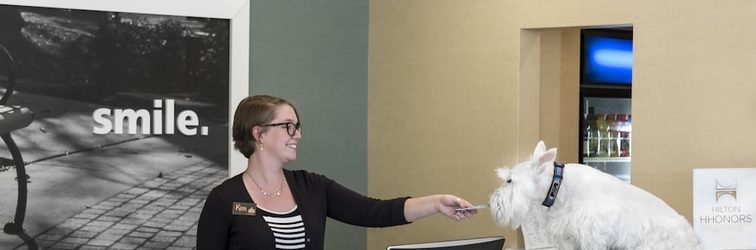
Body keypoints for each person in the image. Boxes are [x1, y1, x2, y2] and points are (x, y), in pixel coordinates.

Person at [197, 95, 478, 250]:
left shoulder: (313, 187)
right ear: (258, 133)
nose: (298, 135)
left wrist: (436, 203)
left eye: (298, 126)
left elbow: (375, 212)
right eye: (288, 126)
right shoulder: (224, 199)